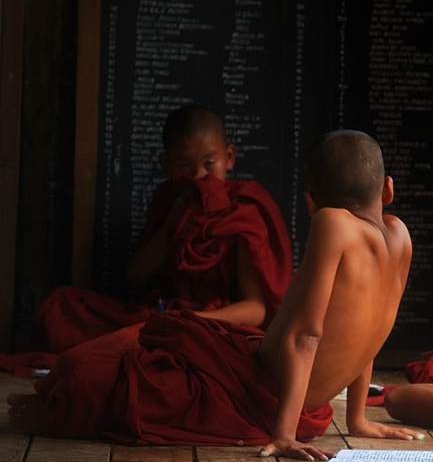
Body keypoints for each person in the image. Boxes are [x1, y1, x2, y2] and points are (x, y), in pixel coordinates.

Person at [7, 129, 421, 459]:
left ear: (310, 203)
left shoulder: (332, 222)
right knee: (146, 342)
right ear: (387, 190)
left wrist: (283, 433)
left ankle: (60, 398)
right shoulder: (399, 235)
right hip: (289, 400)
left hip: (264, 396)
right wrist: (358, 421)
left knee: (87, 371)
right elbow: (374, 331)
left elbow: (306, 333)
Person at [27, 105, 293, 357]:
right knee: (59, 309)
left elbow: (256, 309)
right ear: (166, 165)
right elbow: (135, 276)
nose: (199, 177)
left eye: (209, 164)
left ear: (229, 158)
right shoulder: (167, 199)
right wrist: (174, 219)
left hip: (214, 326)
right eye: (185, 167)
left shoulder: (243, 210)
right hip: (160, 316)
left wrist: (190, 322)